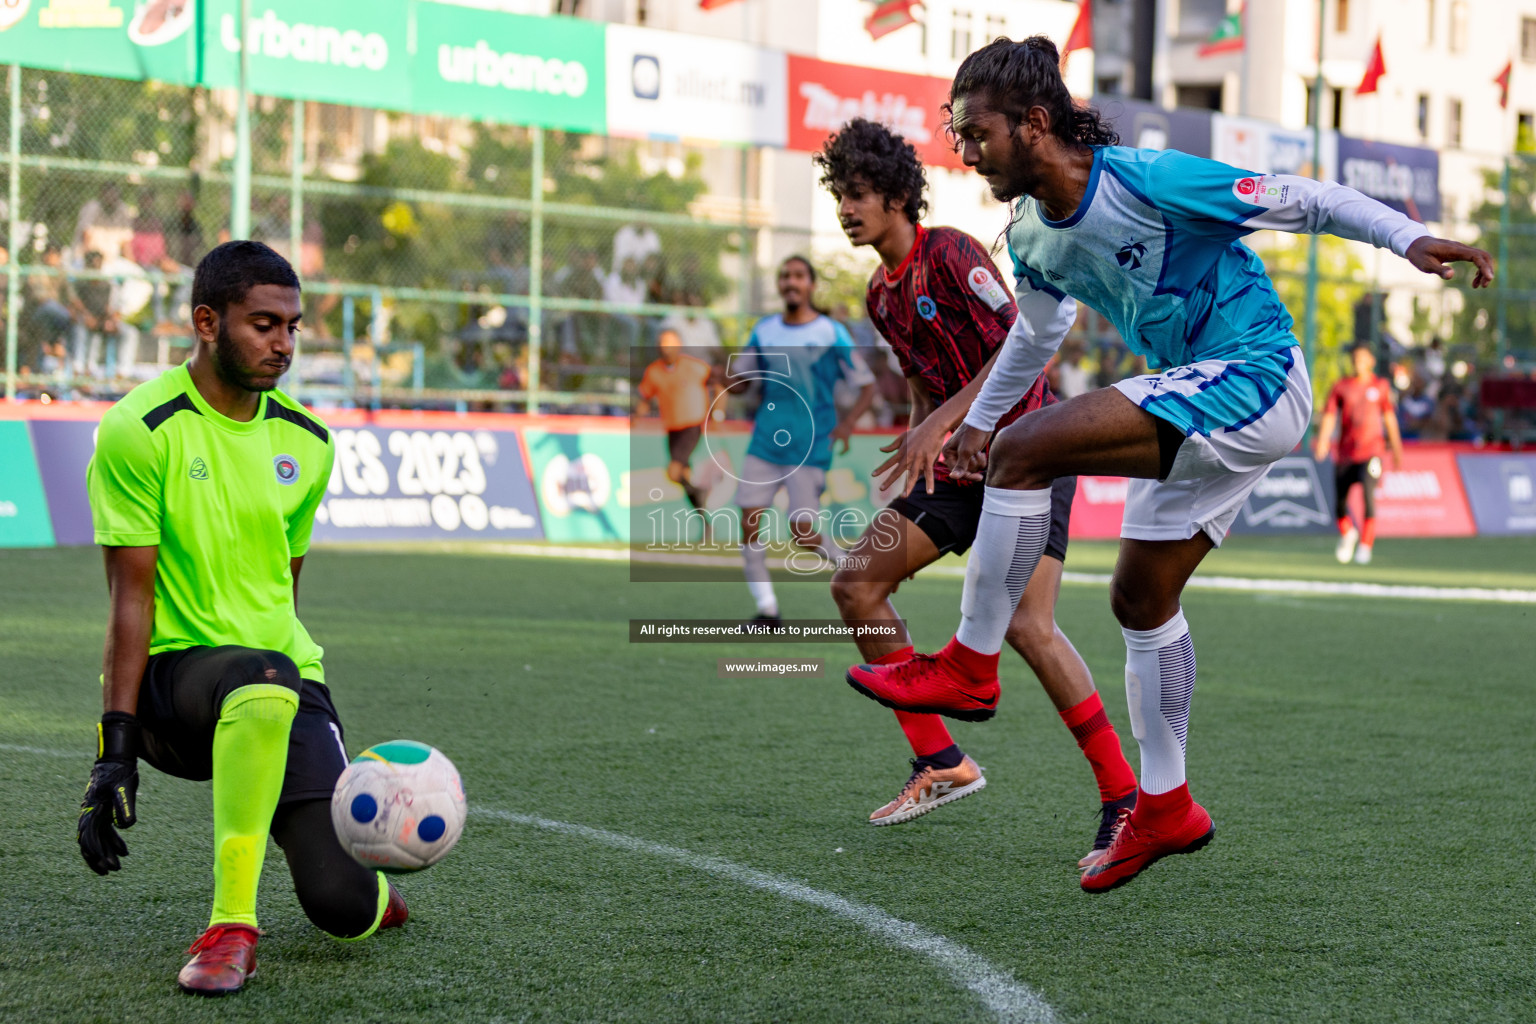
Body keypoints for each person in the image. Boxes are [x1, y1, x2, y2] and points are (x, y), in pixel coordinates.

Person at [845, 36, 1493, 893]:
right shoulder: (1032, 234)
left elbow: (1303, 198)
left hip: (1257, 373)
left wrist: (1407, 238)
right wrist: (983, 415)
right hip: (1201, 392)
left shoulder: (1146, 179)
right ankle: (1165, 804)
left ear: (1035, 125)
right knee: (1139, 599)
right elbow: (1037, 336)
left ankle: (970, 665)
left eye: (977, 132)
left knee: (1026, 453)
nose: (964, 151)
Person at [79, 241, 407, 996]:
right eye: (264, 325)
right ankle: (232, 926)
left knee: (341, 906)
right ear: (205, 321)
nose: (284, 344)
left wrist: (297, 700)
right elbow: (131, 598)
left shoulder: (308, 443)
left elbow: (282, 593)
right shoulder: (141, 428)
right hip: (177, 687)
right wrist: (114, 748)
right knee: (259, 673)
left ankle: (372, 894)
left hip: (279, 677)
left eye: (293, 327)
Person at [815, 118, 1138, 854]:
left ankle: (1124, 796)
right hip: (957, 468)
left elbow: (1018, 348)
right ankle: (941, 760)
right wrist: (922, 433)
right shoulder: (878, 294)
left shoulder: (953, 252)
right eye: (839, 195)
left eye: (859, 192)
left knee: (1029, 627)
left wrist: (946, 424)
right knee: (856, 585)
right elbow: (924, 380)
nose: (845, 208)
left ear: (899, 195)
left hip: (1030, 452)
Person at [733, 256, 875, 627]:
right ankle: (767, 610)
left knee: (803, 532)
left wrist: (847, 425)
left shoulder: (831, 332)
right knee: (749, 519)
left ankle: (854, 570)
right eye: (784, 276)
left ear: (810, 285)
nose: (790, 282)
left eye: (797, 276)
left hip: (810, 446)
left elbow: (867, 385)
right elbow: (742, 380)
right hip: (764, 441)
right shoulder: (764, 331)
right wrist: (726, 377)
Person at [1314, 342, 1404, 565]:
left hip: (1373, 453)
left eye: (1363, 358)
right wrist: (1324, 440)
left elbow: (1390, 419)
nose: (1358, 362)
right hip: (1346, 455)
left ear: (1371, 361)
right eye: (1355, 358)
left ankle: (1366, 544)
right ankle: (1348, 533)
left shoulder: (1381, 386)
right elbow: (1329, 416)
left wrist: (1397, 448)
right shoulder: (1341, 387)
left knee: (1368, 495)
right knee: (1340, 504)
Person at [637, 328, 716, 515]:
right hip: (672, 428)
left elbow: (718, 383)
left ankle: (699, 492)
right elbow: (645, 398)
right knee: (682, 476)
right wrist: (636, 416)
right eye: (663, 345)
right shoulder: (654, 371)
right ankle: (704, 519)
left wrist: (717, 411)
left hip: (692, 425)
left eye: (670, 345)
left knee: (673, 472)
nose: (666, 349)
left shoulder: (695, 367)